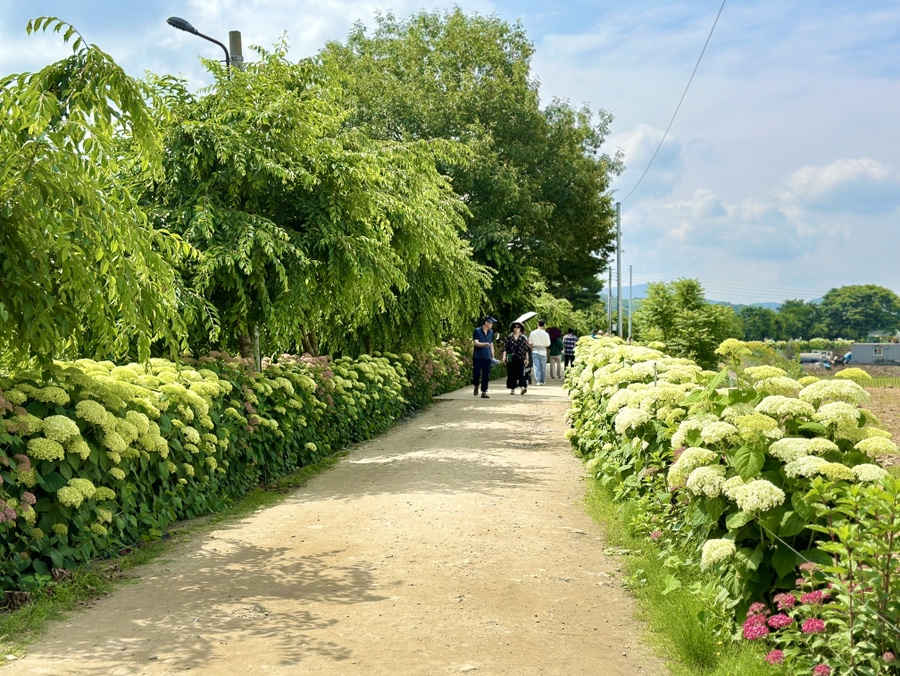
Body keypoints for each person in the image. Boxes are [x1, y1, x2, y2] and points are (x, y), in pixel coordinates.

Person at [502, 322, 531, 395]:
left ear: (520, 328)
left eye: (518, 327)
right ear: (512, 328)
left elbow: (526, 350)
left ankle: (522, 388)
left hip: (520, 357)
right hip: (511, 357)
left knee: (521, 373)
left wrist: (527, 359)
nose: (516, 328)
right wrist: (504, 356)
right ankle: (512, 389)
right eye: (515, 327)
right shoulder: (509, 337)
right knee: (511, 373)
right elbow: (505, 348)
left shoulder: (523, 338)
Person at [472, 317, 496, 399]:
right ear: (486, 322)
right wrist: (484, 344)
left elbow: (491, 344)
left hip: (487, 356)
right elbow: (476, 343)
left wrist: (493, 356)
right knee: (476, 373)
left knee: (486, 375)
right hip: (478, 356)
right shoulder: (477, 331)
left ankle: (484, 392)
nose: (492, 324)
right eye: (491, 322)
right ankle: (476, 384)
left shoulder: (491, 332)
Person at [528, 320, 551, 385]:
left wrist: (532, 349)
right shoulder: (546, 334)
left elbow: (530, 343)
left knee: (536, 366)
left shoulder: (533, 333)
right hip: (543, 351)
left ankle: (537, 380)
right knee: (543, 367)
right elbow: (548, 344)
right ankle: (542, 380)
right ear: (544, 325)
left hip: (535, 350)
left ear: (537, 324)